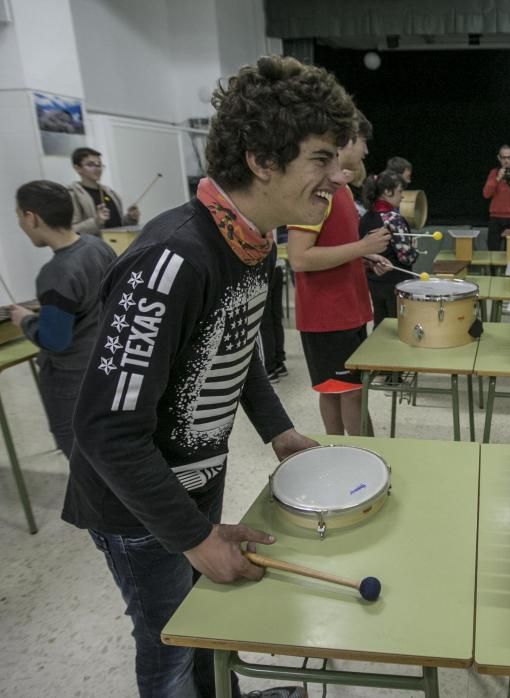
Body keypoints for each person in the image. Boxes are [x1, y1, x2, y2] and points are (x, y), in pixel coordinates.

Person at [61, 55, 355, 698]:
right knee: (168, 642)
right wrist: (193, 537)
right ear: (261, 160)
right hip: (137, 506)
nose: (341, 174)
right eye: (322, 157)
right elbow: (105, 431)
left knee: (203, 625)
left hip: (197, 476)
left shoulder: (253, 240)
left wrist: (278, 430)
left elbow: (234, 341)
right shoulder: (171, 261)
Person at [287, 111, 391, 437]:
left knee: (336, 390)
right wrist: (360, 248)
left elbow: (333, 246)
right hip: (327, 316)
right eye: (363, 143)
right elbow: (300, 258)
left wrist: (362, 257)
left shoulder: (341, 188)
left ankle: (339, 456)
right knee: (347, 392)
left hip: (347, 311)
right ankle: (367, 460)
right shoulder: (318, 189)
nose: (366, 152)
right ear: (346, 141)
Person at [7, 180, 116, 457]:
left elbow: (55, 340)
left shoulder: (56, 273)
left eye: (19, 216)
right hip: (106, 368)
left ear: (31, 218)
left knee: (82, 459)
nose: (20, 223)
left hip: (72, 381)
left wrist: (26, 320)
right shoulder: (97, 247)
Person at [359, 169, 418, 327]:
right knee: (398, 328)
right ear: (387, 191)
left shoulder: (365, 218)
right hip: (396, 284)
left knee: (380, 326)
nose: (403, 196)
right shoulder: (394, 219)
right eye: (400, 191)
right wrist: (414, 247)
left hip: (374, 282)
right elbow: (407, 257)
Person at [67, 147, 140, 235]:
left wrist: (130, 218)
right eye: (90, 165)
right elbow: (71, 231)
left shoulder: (110, 193)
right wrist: (96, 221)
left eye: (99, 165)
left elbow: (116, 225)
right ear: (77, 168)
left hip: (118, 244)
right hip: (95, 247)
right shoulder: (72, 194)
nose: (97, 168)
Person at [260, 226, 289, 382]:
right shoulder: (272, 213)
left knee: (266, 322)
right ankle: (279, 362)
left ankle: (270, 367)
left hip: (263, 268)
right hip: (277, 266)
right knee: (276, 318)